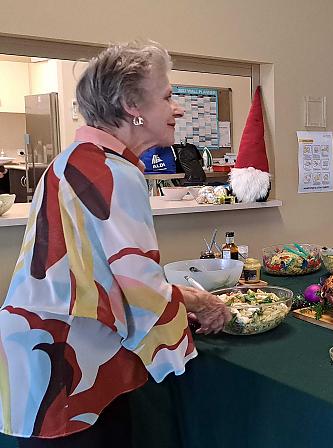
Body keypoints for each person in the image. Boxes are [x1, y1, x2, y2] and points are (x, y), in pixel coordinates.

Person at [0, 41, 231, 447]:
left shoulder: (73, 158)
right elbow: (141, 291)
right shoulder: (114, 172)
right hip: (69, 368)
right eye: (167, 96)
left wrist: (189, 302)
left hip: (35, 361)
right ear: (131, 105)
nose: (177, 109)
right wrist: (204, 307)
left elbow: (106, 276)